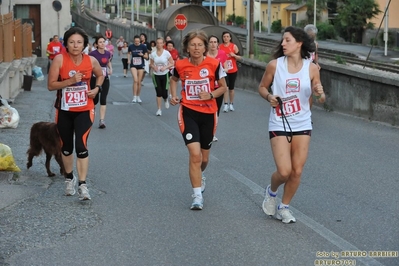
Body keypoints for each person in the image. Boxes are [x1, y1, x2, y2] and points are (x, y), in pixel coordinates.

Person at [258, 26, 325, 223]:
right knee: (284, 171)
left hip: (302, 122)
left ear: (299, 43)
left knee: (297, 171)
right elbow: (262, 87)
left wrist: (320, 92)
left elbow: (320, 98)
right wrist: (269, 96)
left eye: (287, 40)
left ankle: (284, 207)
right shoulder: (274, 65)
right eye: (283, 40)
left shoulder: (311, 68)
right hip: (279, 122)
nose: (283, 44)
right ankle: (271, 192)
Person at [170, 29, 227, 210]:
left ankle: (199, 175)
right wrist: (173, 95)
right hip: (188, 112)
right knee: (194, 155)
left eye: (200, 45)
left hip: (209, 114)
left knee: (203, 158)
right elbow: (173, 79)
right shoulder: (180, 64)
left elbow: (223, 87)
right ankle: (197, 196)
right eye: (192, 45)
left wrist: (210, 94)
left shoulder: (214, 64)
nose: (196, 48)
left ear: (205, 47)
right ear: (187, 47)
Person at [47, 27, 104, 201]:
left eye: (79, 42)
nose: (75, 45)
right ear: (66, 43)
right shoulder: (59, 60)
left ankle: (83, 185)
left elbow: (100, 75)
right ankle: (69, 178)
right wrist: (70, 81)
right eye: (71, 42)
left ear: (84, 44)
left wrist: (96, 88)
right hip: (64, 110)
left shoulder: (91, 60)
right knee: (66, 147)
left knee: (81, 145)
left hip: (85, 109)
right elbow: (50, 85)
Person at [207, 35, 228, 142]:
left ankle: (212, 133)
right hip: (207, 88)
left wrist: (223, 71)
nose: (213, 44)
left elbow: (226, 67)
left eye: (215, 42)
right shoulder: (204, 55)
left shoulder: (222, 54)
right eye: (211, 42)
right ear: (208, 44)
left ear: (218, 44)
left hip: (218, 88)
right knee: (207, 111)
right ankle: (206, 131)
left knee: (216, 111)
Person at [89, 36, 113, 129]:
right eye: (100, 42)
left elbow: (108, 62)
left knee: (103, 99)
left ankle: (102, 120)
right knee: (94, 100)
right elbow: (89, 64)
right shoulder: (92, 54)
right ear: (96, 44)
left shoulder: (108, 53)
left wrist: (110, 68)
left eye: (104, 42)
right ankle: (90, 118)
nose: (103, 44)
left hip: (105, 78)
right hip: (94, 79)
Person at [149, 37, 174, 116]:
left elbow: (172, 62)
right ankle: (159, 109)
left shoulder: (166, 53)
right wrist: (154, 67)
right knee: (158, 92)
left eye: (161, 43)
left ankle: (166, 99)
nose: (159, 45)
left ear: (163, 44)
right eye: (158, 43)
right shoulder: (153, 54)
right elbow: (151, 63)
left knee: (164, 93)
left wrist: (165, 67)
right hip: (156, 75)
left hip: (165, 74)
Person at [219, 31, 241, 112]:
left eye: (227, 36)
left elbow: (240, 58)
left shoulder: (233, 46)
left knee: (231, 88)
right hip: (224, 70)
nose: (226, 38)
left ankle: (231, 104)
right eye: (224, 36)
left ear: (230, 38)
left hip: (233, 70)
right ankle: (225, 104)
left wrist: (234, 55)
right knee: (226, 87)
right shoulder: (220, 47)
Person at [128, 35, 148, 103]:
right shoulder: (131, 46)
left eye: (138, 41)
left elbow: (146, 56)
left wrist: (142, 55)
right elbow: (129, 53)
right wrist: (128, 60)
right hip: (133, 64)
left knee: (139, 82)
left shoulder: (143, 46)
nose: (136, 42)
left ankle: (138, 96)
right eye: (135, 41)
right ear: (134, 41)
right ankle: (134, 96)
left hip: (141, 64)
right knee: (135, 80)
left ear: (140, 41)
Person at [304, 24, 320, 109]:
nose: (312, 37)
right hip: (303, 67)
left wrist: (316, 63)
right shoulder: (302, 43)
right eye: (310, 35)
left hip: (311, 68)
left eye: (313, 36)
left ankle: (308, 111)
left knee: (310, 91)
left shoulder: (315, 44)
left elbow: (316, 54)